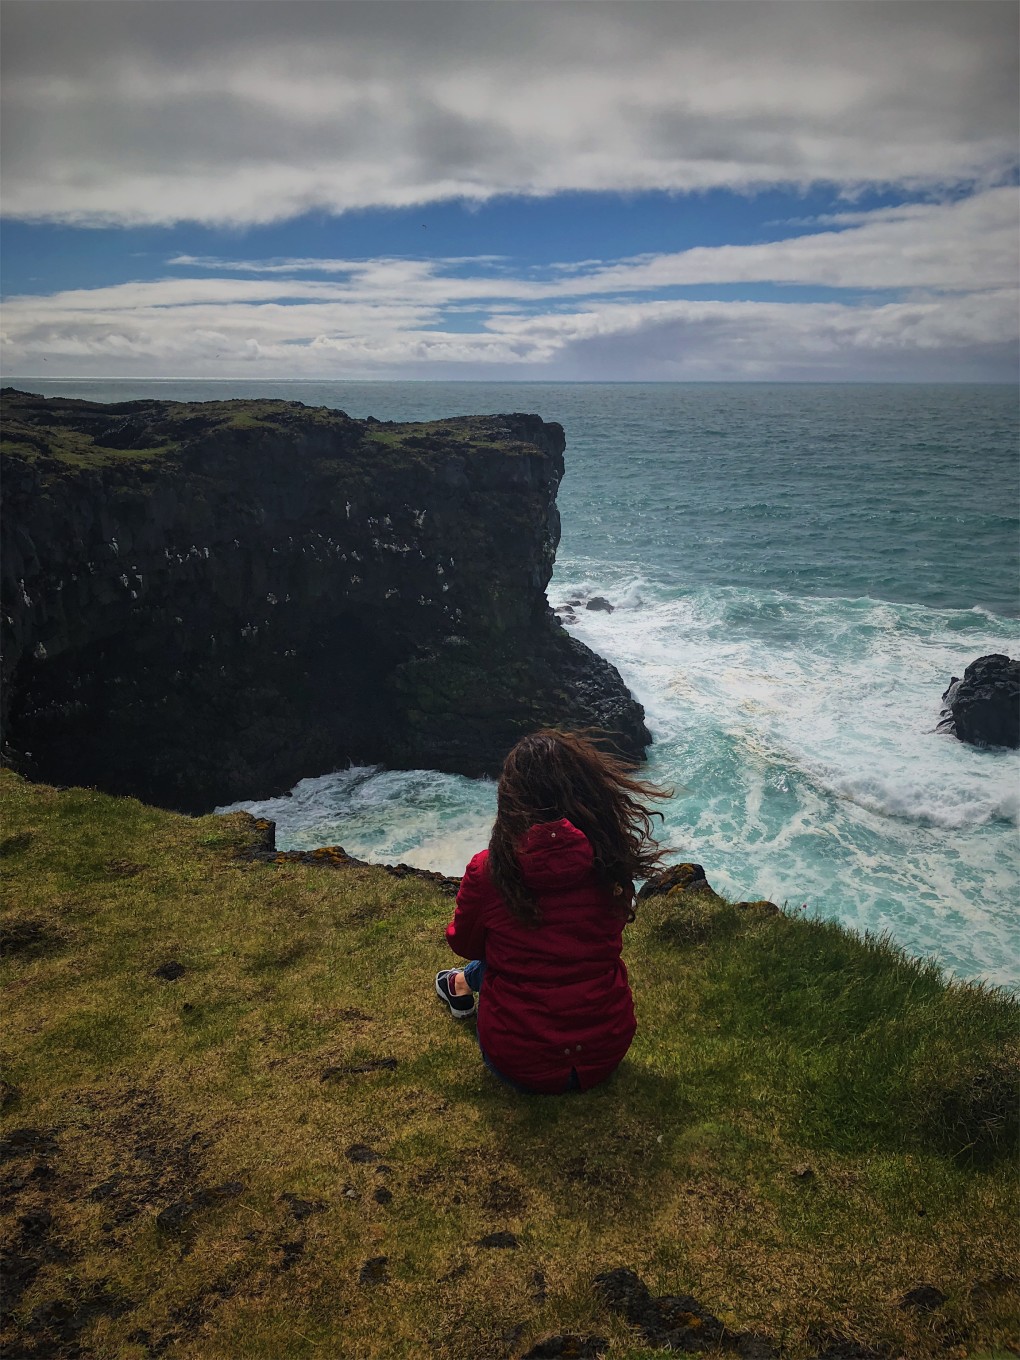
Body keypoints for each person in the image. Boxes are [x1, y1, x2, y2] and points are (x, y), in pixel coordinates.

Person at [435, 728, 668, 1095]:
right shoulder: (609, 859)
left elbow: (465, 942)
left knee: (500, 959)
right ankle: (461, 982)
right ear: (588, 791)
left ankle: (459, 983)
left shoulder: (491, 869)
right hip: (605, 1053)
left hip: (519, 1063)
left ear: (512, 799)